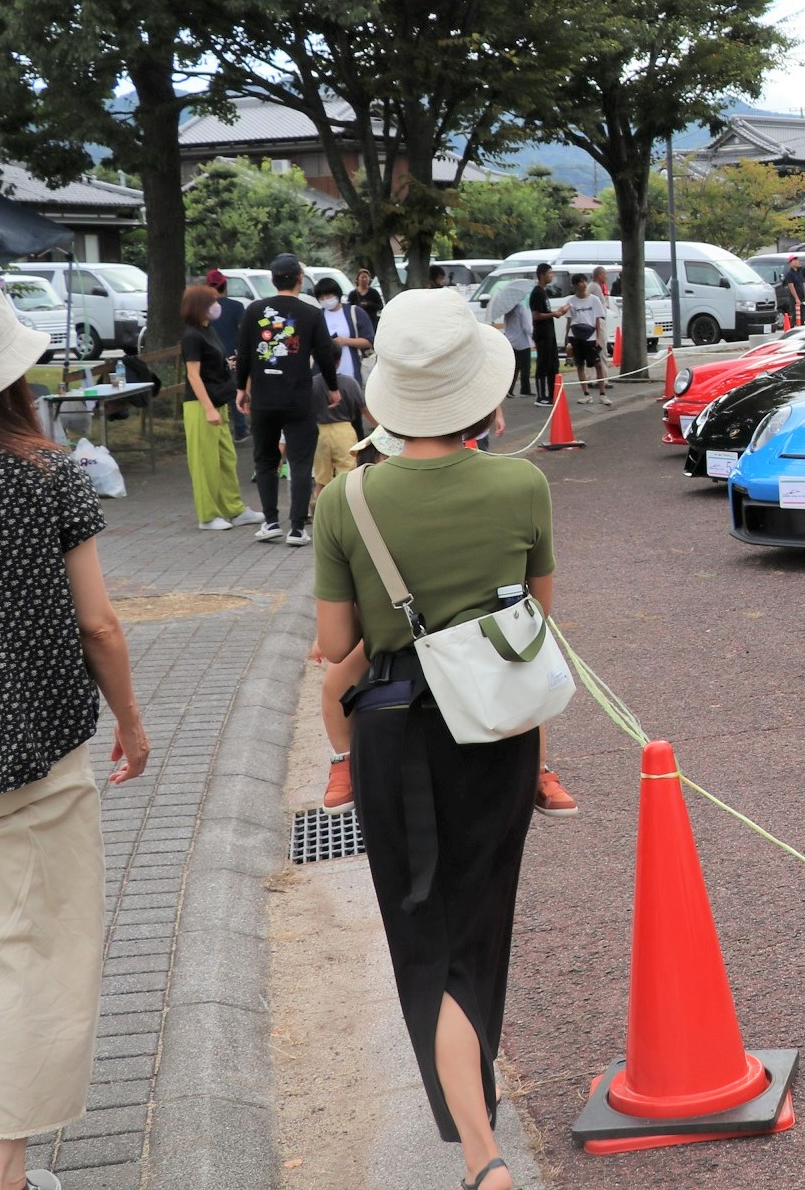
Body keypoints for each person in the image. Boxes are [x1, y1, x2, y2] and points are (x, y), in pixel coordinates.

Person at [312, 288, 562, 1190]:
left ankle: (482, 1154)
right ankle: (481, 1138)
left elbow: (335, 648)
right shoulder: (520, 483)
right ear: (479, 397)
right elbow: (534, 625)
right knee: (480, 926)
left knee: (424, 937)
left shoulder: (349, 500)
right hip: (496, 733)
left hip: (387, 732)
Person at [0, 279, 151, 1190]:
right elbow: (99, 624)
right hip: (37, 757)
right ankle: (8, 1169)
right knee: (30, 956)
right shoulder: (49, 472)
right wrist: (132, 724)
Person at [236, 253, 341, 547]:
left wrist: (240, 389)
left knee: (266, 458)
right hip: (298, 397)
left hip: (264, 398)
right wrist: (333, 388)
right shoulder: (310, 313)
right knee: (300, 460)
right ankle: (297, 528)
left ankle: (270, 522)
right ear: (299, 280)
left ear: (272, 280)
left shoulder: (255, 310)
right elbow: (324, 353)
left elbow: (244, 352)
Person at [181, 283, 263, 531]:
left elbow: (210, 363)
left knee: (226, 458)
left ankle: (234, 509)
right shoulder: (191, 335)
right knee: (204, 461)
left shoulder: (209, 331)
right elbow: (193, 375)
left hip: (218, 402)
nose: (217, 306)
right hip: (200, 406)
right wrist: (208, 408)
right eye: (212, 302)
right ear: (200, 307)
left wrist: (228, 363)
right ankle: (207, 516)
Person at [205, 268, 249, 440]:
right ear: (225, 286)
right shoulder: (236, 307)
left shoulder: (204, 309)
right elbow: (243, 332)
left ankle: (213, 430)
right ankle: (240, 429)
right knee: (234, 392)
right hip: (232, 356)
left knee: (211, 392)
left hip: (209, 358)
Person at [313, 275, 376, 381]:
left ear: (337, 294)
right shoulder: (317, 315)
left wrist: (345, 341)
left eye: (328, 296)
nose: (325, 300)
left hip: (351, 371)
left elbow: (369, 341)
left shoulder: (355, 312)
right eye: (321, 298)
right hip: (324, 375)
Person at [314, 370, 367, 488]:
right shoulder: (350, 382)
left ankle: (320, 504)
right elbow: (363, 408)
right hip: (344, 429)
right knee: (347, 475)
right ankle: (344, 504)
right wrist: (380, 425)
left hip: (319, 431)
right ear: (339, 361)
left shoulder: (313, 382)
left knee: (321, 478)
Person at [564, 273, 610, 403]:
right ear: (575, 285)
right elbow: (569, 321)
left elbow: (597, 320)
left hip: (590, 335)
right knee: (580, 365)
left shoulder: (594, 300)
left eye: (584, 281)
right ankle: (586, 394)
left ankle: (602, 394)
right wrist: (567, 339)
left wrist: (598, 337)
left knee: (598, 364)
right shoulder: (571, 301)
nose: (583, 284)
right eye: (579, 282)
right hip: (576, 335)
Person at [526, 263, 565, 405]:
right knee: (543, 364)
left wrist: (558, 312)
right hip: (542, 334)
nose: (552, 276)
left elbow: (546, 312)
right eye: (549, 273)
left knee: (552, 364)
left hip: (549, 333)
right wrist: (553, 314)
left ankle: (552, 394)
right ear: (542, 275)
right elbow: (536, 315)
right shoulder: (537, 293)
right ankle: (541, 396)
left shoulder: (544, 291)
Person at [494, 284, 535, 398]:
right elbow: (527, 327)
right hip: (522, 342)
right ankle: (525, 389)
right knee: (526, 367)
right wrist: (533, 335)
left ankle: (509, 389)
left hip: (511, 342)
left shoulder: (507, 311)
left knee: (514, 367)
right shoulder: (521, 309)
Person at [779, 255, 805, 329]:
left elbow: (803, 284)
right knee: (794, 315)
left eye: (797, 260)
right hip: (794, 298)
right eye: (794, 260)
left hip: (802, 297)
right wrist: (796, 298)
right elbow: (791, 286)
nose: (796, 261)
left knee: (803, 315)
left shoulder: (799, 272)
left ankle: (801, 327)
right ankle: (792, 328)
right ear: (790, 263)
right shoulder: (789, 274)